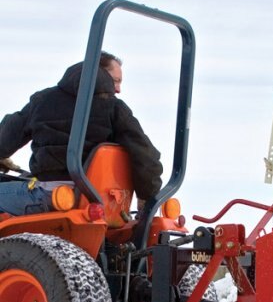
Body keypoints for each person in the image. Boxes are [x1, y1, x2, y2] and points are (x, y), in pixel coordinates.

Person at [0, 52, 162, 216]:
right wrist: (146, 195)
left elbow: (6, 136)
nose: (118, 89)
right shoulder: (115, 109)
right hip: (102, 202)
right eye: (115, 81)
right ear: (97, 73)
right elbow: (145, 155)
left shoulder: (42, 100)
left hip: (52, 197)